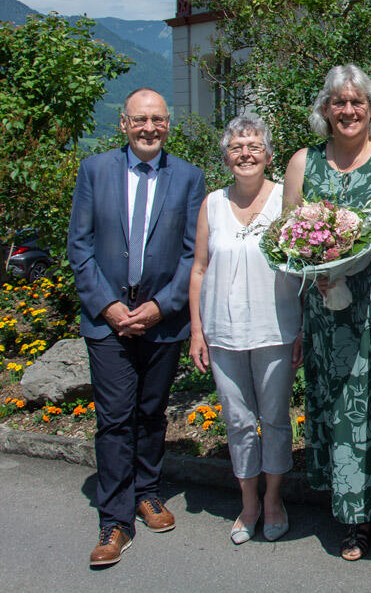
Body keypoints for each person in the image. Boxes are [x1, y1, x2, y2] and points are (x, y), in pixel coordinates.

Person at [283, 64, 371, 561]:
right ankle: (352, 518)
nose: (347, 110)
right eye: (338, 102)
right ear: (325, 110)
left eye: (356, 102)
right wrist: (311, 270)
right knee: (341, 407)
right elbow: (287, 239)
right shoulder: (303, 162)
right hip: (328, 310)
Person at [67, 88, 205, 566]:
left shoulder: (188, 176)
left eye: (158, 119)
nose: (150, 128)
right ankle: (115, 521)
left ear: (168, 124)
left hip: (161, 321)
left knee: (151, 412)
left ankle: (147, 492)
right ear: (124, 123)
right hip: (108, 321)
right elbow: (80, 246)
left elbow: (193, 252)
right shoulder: (95, 170)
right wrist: (107, 306)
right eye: (140, 119)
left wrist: (160, 307)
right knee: (114, 419)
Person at [187, 116, 303, 544]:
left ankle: (273, 500)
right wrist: (197, 330)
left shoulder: (285, 199)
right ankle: (248, 502)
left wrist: (302, 328)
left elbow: (302, 262)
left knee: (274, 419)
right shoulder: (212, 204)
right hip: (222, 331)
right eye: (236, 147)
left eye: (254, 146)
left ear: (268, 155)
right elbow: (199, 269)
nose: (246, 154)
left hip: (276, 328)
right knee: (237, 421)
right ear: (226, 157)